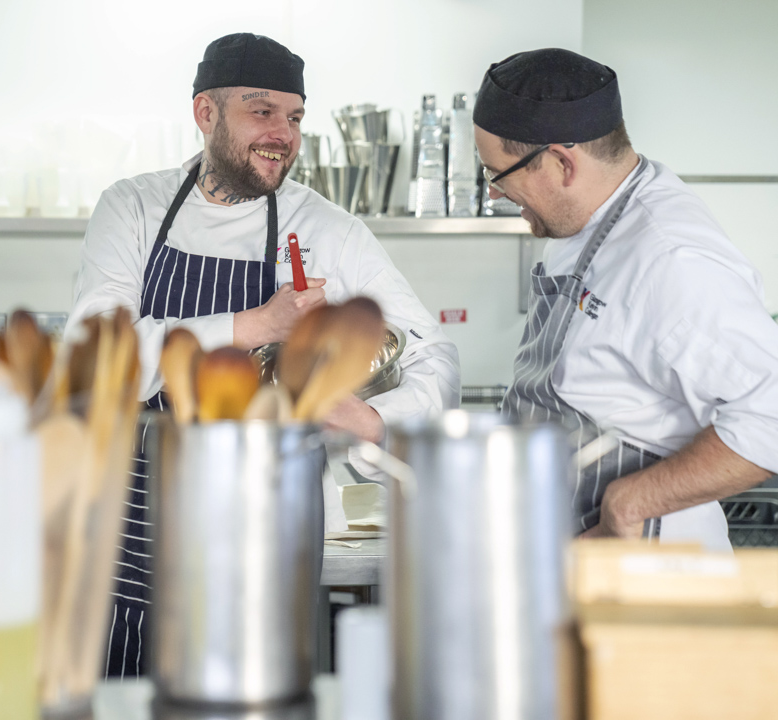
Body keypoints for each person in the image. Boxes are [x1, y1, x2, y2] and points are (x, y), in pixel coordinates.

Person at [67, 32, 460, 677]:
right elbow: (97, 357)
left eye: (296, 116)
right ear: (205, 113)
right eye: (261, 111)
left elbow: (434, 355)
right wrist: (255, 323)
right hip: (139, 529)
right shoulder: (133, 208)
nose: (283, 132)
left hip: (271, 535)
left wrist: (376, 420)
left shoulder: (330, 230)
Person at [473, 48, 778, 550]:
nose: (495, 195)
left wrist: (631, 502)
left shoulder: (672, 258)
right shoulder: (587, 220)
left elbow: (769, 412)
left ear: (559, 163)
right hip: (570, 560)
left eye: (498, 175)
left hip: (650, 582)